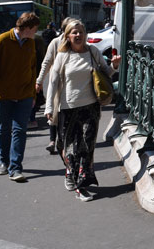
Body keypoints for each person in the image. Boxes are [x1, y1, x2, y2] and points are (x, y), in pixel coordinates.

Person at [44, 19, 121, 201]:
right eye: (74, 32)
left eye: (80, 32)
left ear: (85, 34)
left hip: (91, 107)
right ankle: (70, 173)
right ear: (68, 36)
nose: (78, 35)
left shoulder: (93, 52)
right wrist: (49, 107)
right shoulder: (62, 56)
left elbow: (105, 73)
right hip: (68, 108)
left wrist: (114, 66)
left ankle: (81, 185)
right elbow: (53, 84)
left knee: (86, 148)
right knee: (69, 148)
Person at [0, 11, 42, 182]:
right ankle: (4, 162)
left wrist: (32, 93)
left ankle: (15, 167)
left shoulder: (30, 43)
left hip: (24, 94)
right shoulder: (3, 40)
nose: (36, 32)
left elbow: (32, 68)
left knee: (20, 130)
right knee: (3, 129)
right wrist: (0, 86)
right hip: (3, 95)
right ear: (27, 28)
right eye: (35, 29)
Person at [36, 17, 75, 154]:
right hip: (56, 83)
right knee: (53, 111)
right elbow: (46, 62)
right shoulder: (56, 42)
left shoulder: (77, 42)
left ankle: (62, 140)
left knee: (65, 112)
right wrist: (39, 80)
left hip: (72, 84)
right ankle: (53, 140)